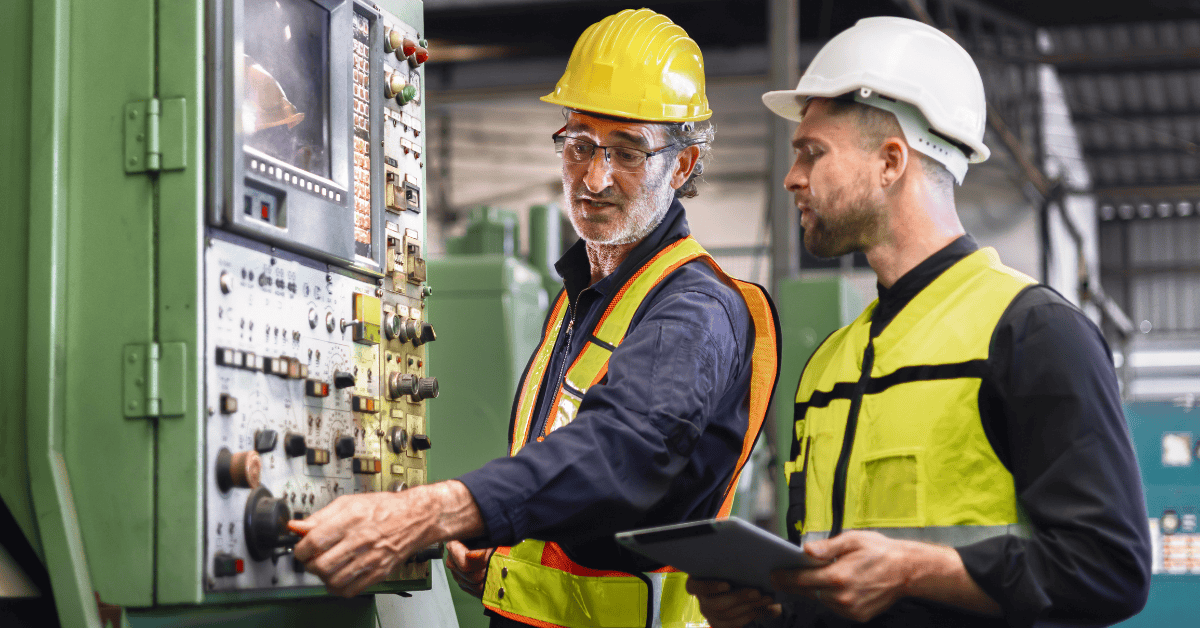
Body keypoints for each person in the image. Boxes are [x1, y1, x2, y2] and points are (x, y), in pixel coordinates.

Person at [292, 9, 782, 628]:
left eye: (627, 151)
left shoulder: (694, 309)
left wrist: (430, 512)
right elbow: (565, 492)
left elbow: (622, 448)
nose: (594, 177)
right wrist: (502, 557)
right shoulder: (583, 295)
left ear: (681, 166)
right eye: (579, 145)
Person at [686, 16, 1151, 628]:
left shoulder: (1032, 334)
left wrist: (914, 570)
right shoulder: (829, 365)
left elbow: (1110, 567)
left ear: (891, 161)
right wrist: (762, 612)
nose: (792, 177)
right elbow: (834, 584)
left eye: (812, 152)